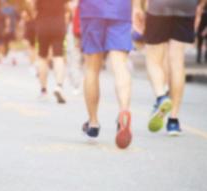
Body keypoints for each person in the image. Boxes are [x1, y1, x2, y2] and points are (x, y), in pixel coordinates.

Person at [133, 0, 207, 136]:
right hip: (186, 6)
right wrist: (200, 6)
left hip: (159, 6)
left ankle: (161, 96)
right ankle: (173, 121)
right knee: (177, 62)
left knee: (154, 59)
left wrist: (137, 7)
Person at [79, 0, 133, 148]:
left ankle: (93, 123)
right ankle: (123, 111)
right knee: (120, 63)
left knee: (92, 68)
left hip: (92, 8)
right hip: (121, 8)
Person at [35, 0, 69, 104]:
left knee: (42, 56)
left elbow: (32, 5)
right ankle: (59, 86)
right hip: (58, 24)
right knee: (58, 56)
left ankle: (43, 90)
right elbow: (68, 6)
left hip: (42, 24)